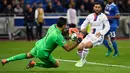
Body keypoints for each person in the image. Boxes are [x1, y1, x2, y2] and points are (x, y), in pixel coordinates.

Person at [1, 17, 82, 69]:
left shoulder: (53, 26)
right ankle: (34, 64)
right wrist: (78, 41)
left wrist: (68, 31)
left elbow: (62, 32)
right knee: (56, 64)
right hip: (43, 52)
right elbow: (68, 49)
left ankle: (7, 60)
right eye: (66, 25)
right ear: (64, 25)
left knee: (27, 55)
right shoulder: (58, 37)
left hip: (39, 45)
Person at [74, 2, 110, 67]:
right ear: (93, 7)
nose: (97, 8)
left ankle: (82, 60)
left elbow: (108, 27)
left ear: (101, 8)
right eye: (96, 7)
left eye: (98, 7)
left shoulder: (103, 16)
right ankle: (83, 59)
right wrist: (83, 28)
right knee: (79, 48)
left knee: (86, 45)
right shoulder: (90, 16)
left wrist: (101, 33)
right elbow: (84, 24)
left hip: (98, 37)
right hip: (89, 35)